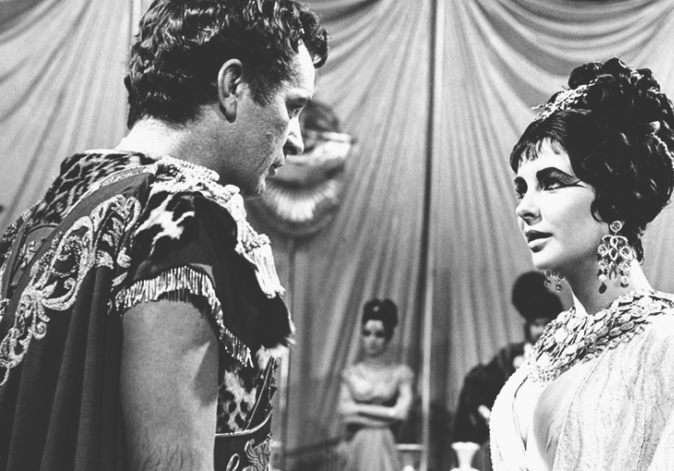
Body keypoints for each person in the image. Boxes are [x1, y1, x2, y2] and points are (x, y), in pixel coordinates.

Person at [0, 1, 327, 470]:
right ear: (232, 86)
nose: (295, 139)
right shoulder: (183, 223)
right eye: (292, 106)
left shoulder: (42, 219)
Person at [488, 58, 674, 470]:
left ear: (614, 201)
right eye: (521, 188)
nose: (524, 208)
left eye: (551, 182)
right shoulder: (556, 338)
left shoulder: (671, 345)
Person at [452, 271, 564, 446]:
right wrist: (487, 414)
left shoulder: (564, 354)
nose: (541, 330)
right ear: (528, 325)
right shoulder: (510, 355)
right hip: (516, 434)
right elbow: (474, 383)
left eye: (546, 324)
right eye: (536, 324)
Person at [338, 299, 414, 471]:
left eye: (379, 334)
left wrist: (358, 408)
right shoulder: (351, 373)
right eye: (367, 333)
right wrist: (388, 414)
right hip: (356, 446)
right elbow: (344, 412)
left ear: (388, 337)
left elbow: (401, 413)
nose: (372, 340)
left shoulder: (400, 373)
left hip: (386, 443)